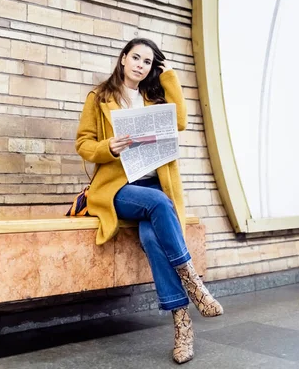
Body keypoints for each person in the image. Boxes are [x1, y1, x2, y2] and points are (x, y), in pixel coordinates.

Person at [76, 38, 223, 364]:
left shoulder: (155, 98)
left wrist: (169, 76)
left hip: (154, 184)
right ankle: (194, 283)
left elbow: (181, 121)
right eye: (136, 58)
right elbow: (84, 143)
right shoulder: (99, 97)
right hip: (118, 187)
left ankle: (183, 325)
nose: (141, 65)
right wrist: (108, 148)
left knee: (153, 240)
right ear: (124, 58)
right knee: (157, 202)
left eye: (148, 61)